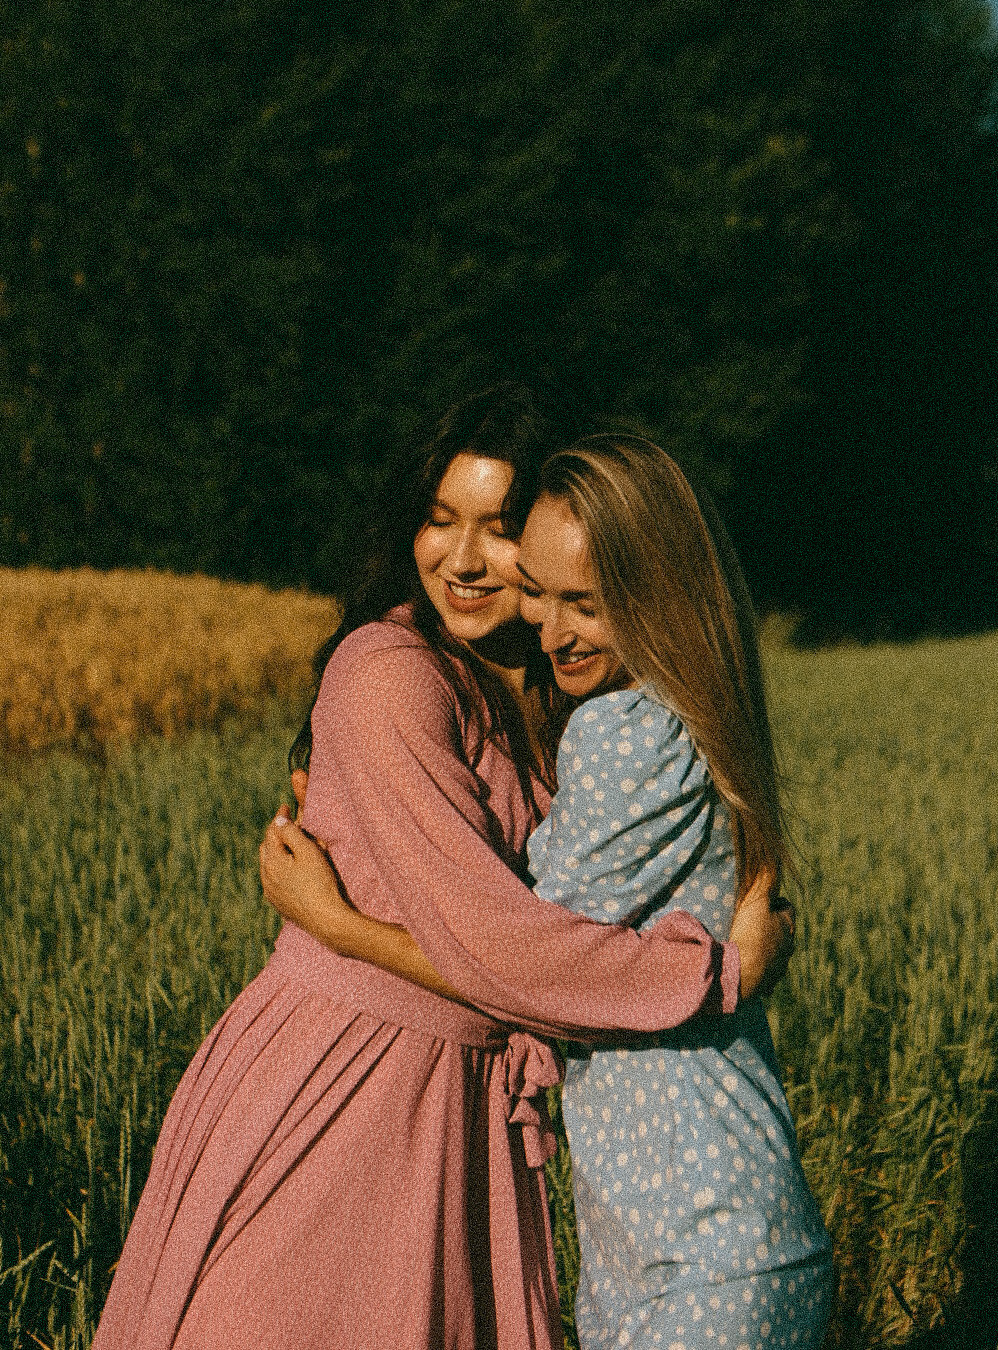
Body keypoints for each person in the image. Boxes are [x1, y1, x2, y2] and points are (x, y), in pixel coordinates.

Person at [93, 387, 792, 1350]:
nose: (459, 560)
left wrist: (342, 922)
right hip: (345, 1086)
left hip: (458, 1101)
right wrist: (717, 975)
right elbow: (506, 951)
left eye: (497, 529)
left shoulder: (555, 692)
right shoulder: (390, 675)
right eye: (438, 519)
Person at [262, 433, 830, 1350]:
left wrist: (342, 920)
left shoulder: (622, 736)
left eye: (587, 606)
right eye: (543, 594)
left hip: (700, 1255)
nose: (555, 629)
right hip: (696, 1244)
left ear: (658, 600)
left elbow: (523, 953)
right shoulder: (680, 715)